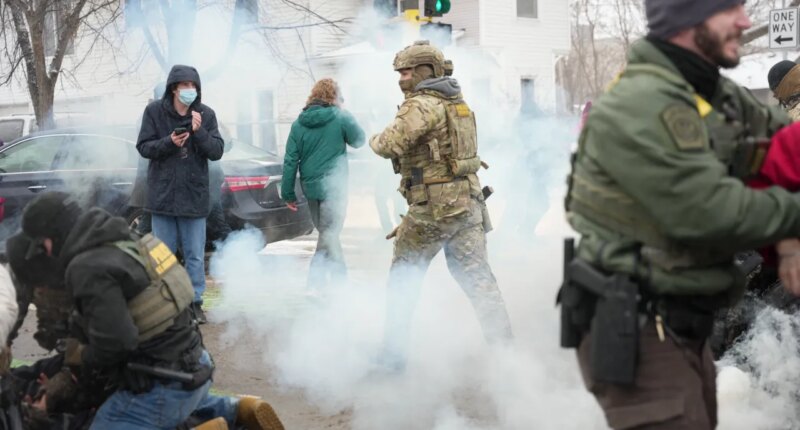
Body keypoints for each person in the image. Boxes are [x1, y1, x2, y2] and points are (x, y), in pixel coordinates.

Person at [560, 1, 800, 429]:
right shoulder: (642, 101)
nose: (746, 22)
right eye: (731, 11)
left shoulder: (711, 91)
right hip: (639, 329)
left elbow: (780, 150)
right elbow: (708, 211)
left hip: (686, 323)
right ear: (690, 20)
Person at [19, 192, 283, 430]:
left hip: (163, 384)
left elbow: (114, 344)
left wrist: (68, 381)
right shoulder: (126, 240)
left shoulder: (87, 266)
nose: (46, 254)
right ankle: (236, 409)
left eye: (43, 245)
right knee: (179, 404)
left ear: (54, 234)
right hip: (196, 367)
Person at [369, 41, 513, 372]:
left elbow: (389, 144)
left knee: (403, 278)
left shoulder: (422, 105)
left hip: (433, 208)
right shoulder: (456, 103)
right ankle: (506, 357)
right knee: (479, 281)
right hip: (467, 204)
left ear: (425, 72)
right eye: (400, 72)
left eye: (406, 71)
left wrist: (372, 137)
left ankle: (392, 360)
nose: (401, 78)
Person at [136, 65, 224, 324]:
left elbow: (217, 151)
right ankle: (167, 302)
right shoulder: (154, 111)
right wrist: (168, 143)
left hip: (194, 197)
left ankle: (195, 302)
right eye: (184, 85)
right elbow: (143, 146)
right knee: (164, 255)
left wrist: (200, 133)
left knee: (195, 254)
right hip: (163, 197)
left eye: (193, 85)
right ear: (174, 87)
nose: (189, 90)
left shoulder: (205, 115)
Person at [281, 78, 365, 291]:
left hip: (311, 189)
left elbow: (290, 160)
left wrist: (288, 193)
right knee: (330, 234)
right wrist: (347, 114)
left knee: (328, 235)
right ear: (335, 97)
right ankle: (318, 285)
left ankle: (337, 284)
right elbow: (359, 140)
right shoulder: (340, 116)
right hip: (334, 187)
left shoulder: (299, 124)